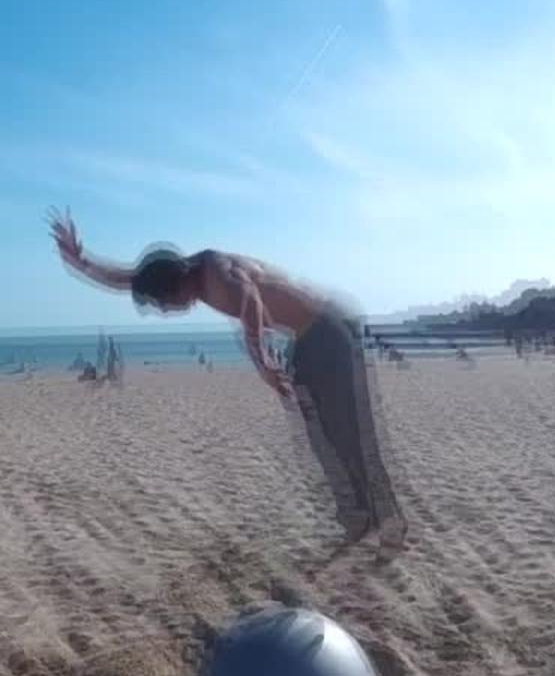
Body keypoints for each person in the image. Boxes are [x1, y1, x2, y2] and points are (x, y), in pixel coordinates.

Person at [49, 207, 405, 551]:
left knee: (350, 431)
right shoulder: (184, 273)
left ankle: (390, 524)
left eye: (165, 304)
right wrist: (83, 262)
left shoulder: (219, 272)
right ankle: (360, 519)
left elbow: (251, 307)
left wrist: (264, 365)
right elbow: (128, 278)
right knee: (323, 436)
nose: (167, 311)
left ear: (178, 284)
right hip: (305, 338)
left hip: (330, 327)